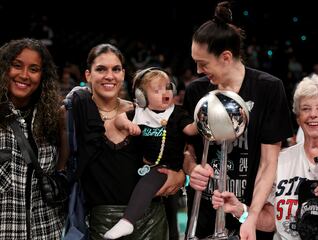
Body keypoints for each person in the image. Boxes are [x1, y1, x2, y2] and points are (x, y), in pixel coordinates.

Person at [182, 1, 293, 239]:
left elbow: (268, 164)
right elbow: (186, 148)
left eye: (203, 63)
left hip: (248, 215)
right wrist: (191, 168)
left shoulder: (269, 89)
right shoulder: (195, 92)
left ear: (225, 57)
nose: (199, 70)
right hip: (203, 217)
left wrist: (250, 217)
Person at [58, 44, 185, 240]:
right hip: (101, 224)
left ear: (123, 74)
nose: (110, 76)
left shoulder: (145, 113)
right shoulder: (73, 113)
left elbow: (175, 153)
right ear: (88, 75)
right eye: (101, 69)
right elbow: (61, 168)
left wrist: (180, 176)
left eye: (116, 69)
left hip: (152, 220)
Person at [212, 74, 318, 239]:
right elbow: (271, 222)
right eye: (305, 109)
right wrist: (241, 211)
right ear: (298, 117)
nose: (313, 115)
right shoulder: (280, 161)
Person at [104, 67, 197, 239]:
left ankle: (128, 221)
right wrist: (127, 124)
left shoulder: (177, 113)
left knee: (166, 208)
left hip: (167, 168)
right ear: (142, 97)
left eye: (168, 87)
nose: (165, 92)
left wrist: (202, 121)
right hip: (146, 166)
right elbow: (119, 119)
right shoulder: (139, 113)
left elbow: (190, 130)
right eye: (157, 90)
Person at [0, 38, 64, 239]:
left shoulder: (54, 119)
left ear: (43, 76)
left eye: (34, 69)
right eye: (17, 66)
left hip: (48, 232)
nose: (24, 75)